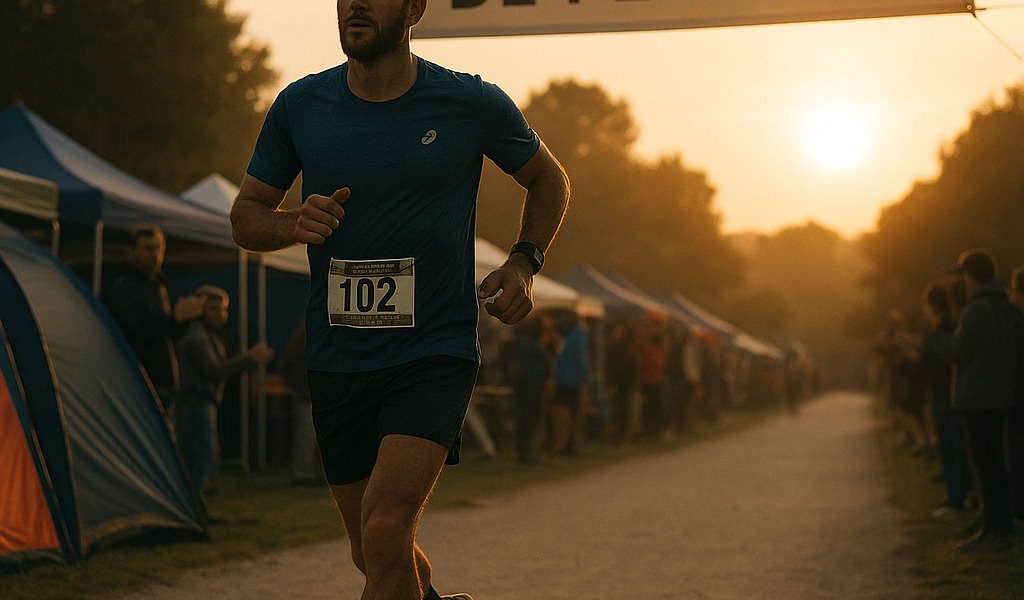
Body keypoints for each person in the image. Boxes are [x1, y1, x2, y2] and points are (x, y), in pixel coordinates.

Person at [228, 1, 570, 598]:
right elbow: (245, 217)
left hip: (431, 350)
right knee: (374, 549)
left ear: (414, 8)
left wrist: (524, 261)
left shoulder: (469, 102)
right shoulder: (301, 106)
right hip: (336, 356)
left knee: (386, 529)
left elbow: (549, 178)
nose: (354, 3)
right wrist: (291, 224)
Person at [924, 249, 1017, 552]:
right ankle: (998, 525)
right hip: (1001, 395)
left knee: (985, 465)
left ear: (970, 276)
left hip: (978, 398)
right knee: (996, 465)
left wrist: (937, 340)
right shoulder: (1006, 305)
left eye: (963, 276)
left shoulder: (976, 309)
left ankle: (996, 532)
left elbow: (960, 351)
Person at [176, 285, 274, 493]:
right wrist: (249, 358)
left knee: (203, 457)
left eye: (223, 309)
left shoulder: (208, 334)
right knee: (198, 459)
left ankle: (198, 510)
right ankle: (194, 512)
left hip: (202, 402)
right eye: (213, 309)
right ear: (201, 310)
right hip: (196, 403)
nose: (221, 315)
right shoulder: (198, 337)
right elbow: (215, 370)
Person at [104, 224, 203, 412]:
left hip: (166, 381)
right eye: (147, 248)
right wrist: (174, 319)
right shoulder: (124, 288)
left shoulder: (160, 285)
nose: (154, 254)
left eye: (159, 247)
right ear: (131, 252)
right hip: (139, 381)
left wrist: (184, 319)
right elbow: (136, 333)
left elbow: (168, 334)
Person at [918, 279, 972, 517]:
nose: (923, 310)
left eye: (925, 305)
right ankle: (958, 496)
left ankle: (956, 500)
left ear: (933, 306)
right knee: (951, 449)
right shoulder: (940, 332)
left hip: (948, 398)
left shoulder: (945, 331)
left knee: (953, 450)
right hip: (942, 397)